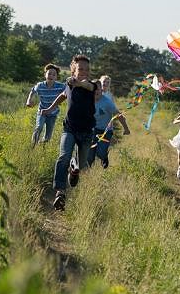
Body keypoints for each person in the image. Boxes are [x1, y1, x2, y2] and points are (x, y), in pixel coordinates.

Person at [41, 54, 98, 210]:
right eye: (80, 69)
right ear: (74, 69)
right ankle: (60, 192)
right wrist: (49, 108)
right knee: (63, 156)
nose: (84, 71)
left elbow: (87, 86)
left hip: (86, 132)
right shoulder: (69, 83)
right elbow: (62, 96)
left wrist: (77, 82)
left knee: (82, 166)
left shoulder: (94, 84)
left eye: (87, 69)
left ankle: (74, 171)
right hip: (70, 128)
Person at [88, 80, 130, 168]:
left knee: (101, 153)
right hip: (92, 130)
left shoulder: (107, 102)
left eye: (98, 89)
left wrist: (126, 128)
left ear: (101, 90)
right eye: (94, 89)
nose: (96, 91)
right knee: (89, 156)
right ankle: (87, 173)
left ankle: (104, 156)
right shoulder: (87, 101)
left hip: (105, 131)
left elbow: (118, 115)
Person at [25, 63, 66, 146]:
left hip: (53, 114)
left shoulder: (60, 86)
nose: (51, 76)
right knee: (38, 127)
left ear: (56, 77)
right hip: (42, 111)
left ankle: (42, 144)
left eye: (54, 74)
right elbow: (33, 90)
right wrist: (29, 100)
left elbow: (68, 90)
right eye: (49, 73)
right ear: (45, 75)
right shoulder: (40, 85)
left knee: (48, 137)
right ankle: (32, 147)